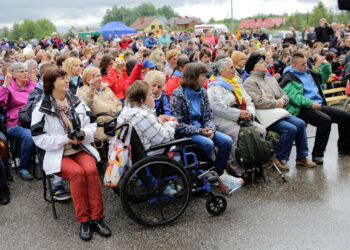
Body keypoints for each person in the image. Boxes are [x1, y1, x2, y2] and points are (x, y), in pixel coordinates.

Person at [31, 69, 111, 241]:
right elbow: (38, 138)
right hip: (58, 153)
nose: (67, 80)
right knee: (77, 173)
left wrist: (83, 132)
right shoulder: (41, 107)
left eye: (67, 77)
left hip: (80, 148)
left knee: (90, 170)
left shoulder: (76, 100)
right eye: (62, 78)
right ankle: (84, 220)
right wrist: (65, 139)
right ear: (51, 83)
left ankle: (97, 218)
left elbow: (92, 123)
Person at [170, 62, 243, 191]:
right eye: (203, 75)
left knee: (227, 141)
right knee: (208, 144)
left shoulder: (202, 91)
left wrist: (210, 128)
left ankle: (216, 174)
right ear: (193, 77)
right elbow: (179, 124)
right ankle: (204, 178)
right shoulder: (178, 95)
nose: (205, 78)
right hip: (188, 132)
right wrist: (201, 131)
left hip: (203, 129)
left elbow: (209, 114)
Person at [244, 53, 316, 170]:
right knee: (290, 129)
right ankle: (279, 158)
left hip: (279, 112)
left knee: (301, 124)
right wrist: (276, 103)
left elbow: (284, 94)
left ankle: (301, 157)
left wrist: (283, 100)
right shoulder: (250, 82)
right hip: (266, 115)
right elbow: (257, 101)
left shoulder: (271, 79)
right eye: (261, 62)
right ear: (254, 66)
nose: (265, 64)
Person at [280, 51, 350, 163]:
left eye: (306, 63)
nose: (306, 66)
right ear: (294, 65)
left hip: (318, 104)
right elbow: (295, 98)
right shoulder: (289, 78)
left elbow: (324, 79)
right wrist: (311, 104)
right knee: (325, 121)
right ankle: (317, 154)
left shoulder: (309, 72)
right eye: (303, 64)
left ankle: (344, 148)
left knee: (346, 117)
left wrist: (326, 65)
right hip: (302, 108)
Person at [208, 58, 266, 176]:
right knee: (238, 135)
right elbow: (217, 108)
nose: (235, 69)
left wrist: (250, 113)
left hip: (244, 118)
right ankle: (238, 167)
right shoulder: (215, 86)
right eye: (231, 67)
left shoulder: (236, 82)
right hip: (224, 121)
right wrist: (238, 114)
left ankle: (255, 161)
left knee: (261, 131)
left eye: (234, 67)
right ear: (221, 71)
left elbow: (248, 100)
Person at [0, 63, 36, 180]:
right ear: (14, 75)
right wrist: (5, 84)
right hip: (15, 123)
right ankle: (23, 167)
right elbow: (2, 102)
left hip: (34, 120)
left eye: (26, 71)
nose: (25, 73)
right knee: (29, 137)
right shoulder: (9, 87)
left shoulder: (33, 85)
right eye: (21, 71)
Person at [78, 67, 122, 143]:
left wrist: (119, 115)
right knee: (118, 141)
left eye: (100, 75)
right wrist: (91, 91)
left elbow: (118, 103)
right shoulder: (82, 92)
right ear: (88, 80)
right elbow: (86, 108)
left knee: (131, 132)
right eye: (97, 76)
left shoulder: (106, 88)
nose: (100, 78)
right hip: (101, 128)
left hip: (116, 122)